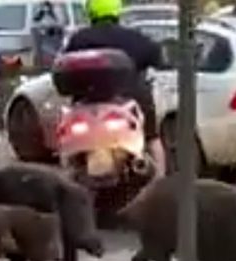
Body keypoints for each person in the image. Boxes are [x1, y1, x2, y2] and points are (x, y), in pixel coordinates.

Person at [62, 0, 166, 178]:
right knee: (152, 139)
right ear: (117, 10)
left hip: (86, 108)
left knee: (67, 152)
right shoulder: (133, 38)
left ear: (90, 12)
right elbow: (158, 58)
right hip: (130, 106)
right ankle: (160, 181)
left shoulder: (79, 39)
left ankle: (68, 177)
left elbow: (64, 67)